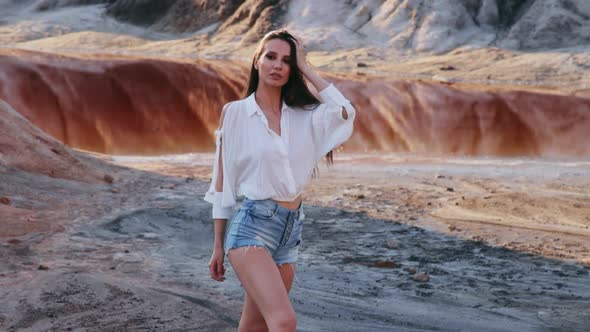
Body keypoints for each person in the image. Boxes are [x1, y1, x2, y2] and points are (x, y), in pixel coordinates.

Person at [204, 29, 356, 331]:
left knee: (254, 327)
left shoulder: (306, 115)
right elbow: (222, 183)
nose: (277, 65)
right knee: (284, 321)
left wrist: (306, 66)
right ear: (257, 61)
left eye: (287, 61)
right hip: (251, 227)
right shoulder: (235, 113)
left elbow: (344, 112)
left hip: (291, 230)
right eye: (270, 57)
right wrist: (218, 245)